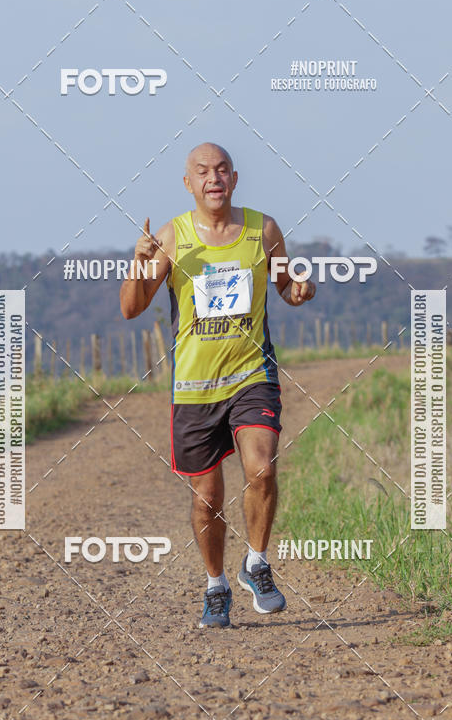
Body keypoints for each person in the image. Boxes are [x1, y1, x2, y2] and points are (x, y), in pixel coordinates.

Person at [120, 142, 315, 628]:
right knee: (207, 496)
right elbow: (130, 307)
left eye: (222, 170)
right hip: (194, 387)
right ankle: (215, 584)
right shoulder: (171, 236)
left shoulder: (262, 230)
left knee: (262, 467)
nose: (214, 178)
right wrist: (138, 264)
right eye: (203, 171)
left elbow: (285, 287)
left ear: (234, 178)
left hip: (252, 375)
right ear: (188, 183)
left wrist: (300, 290)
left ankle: (257, 562)